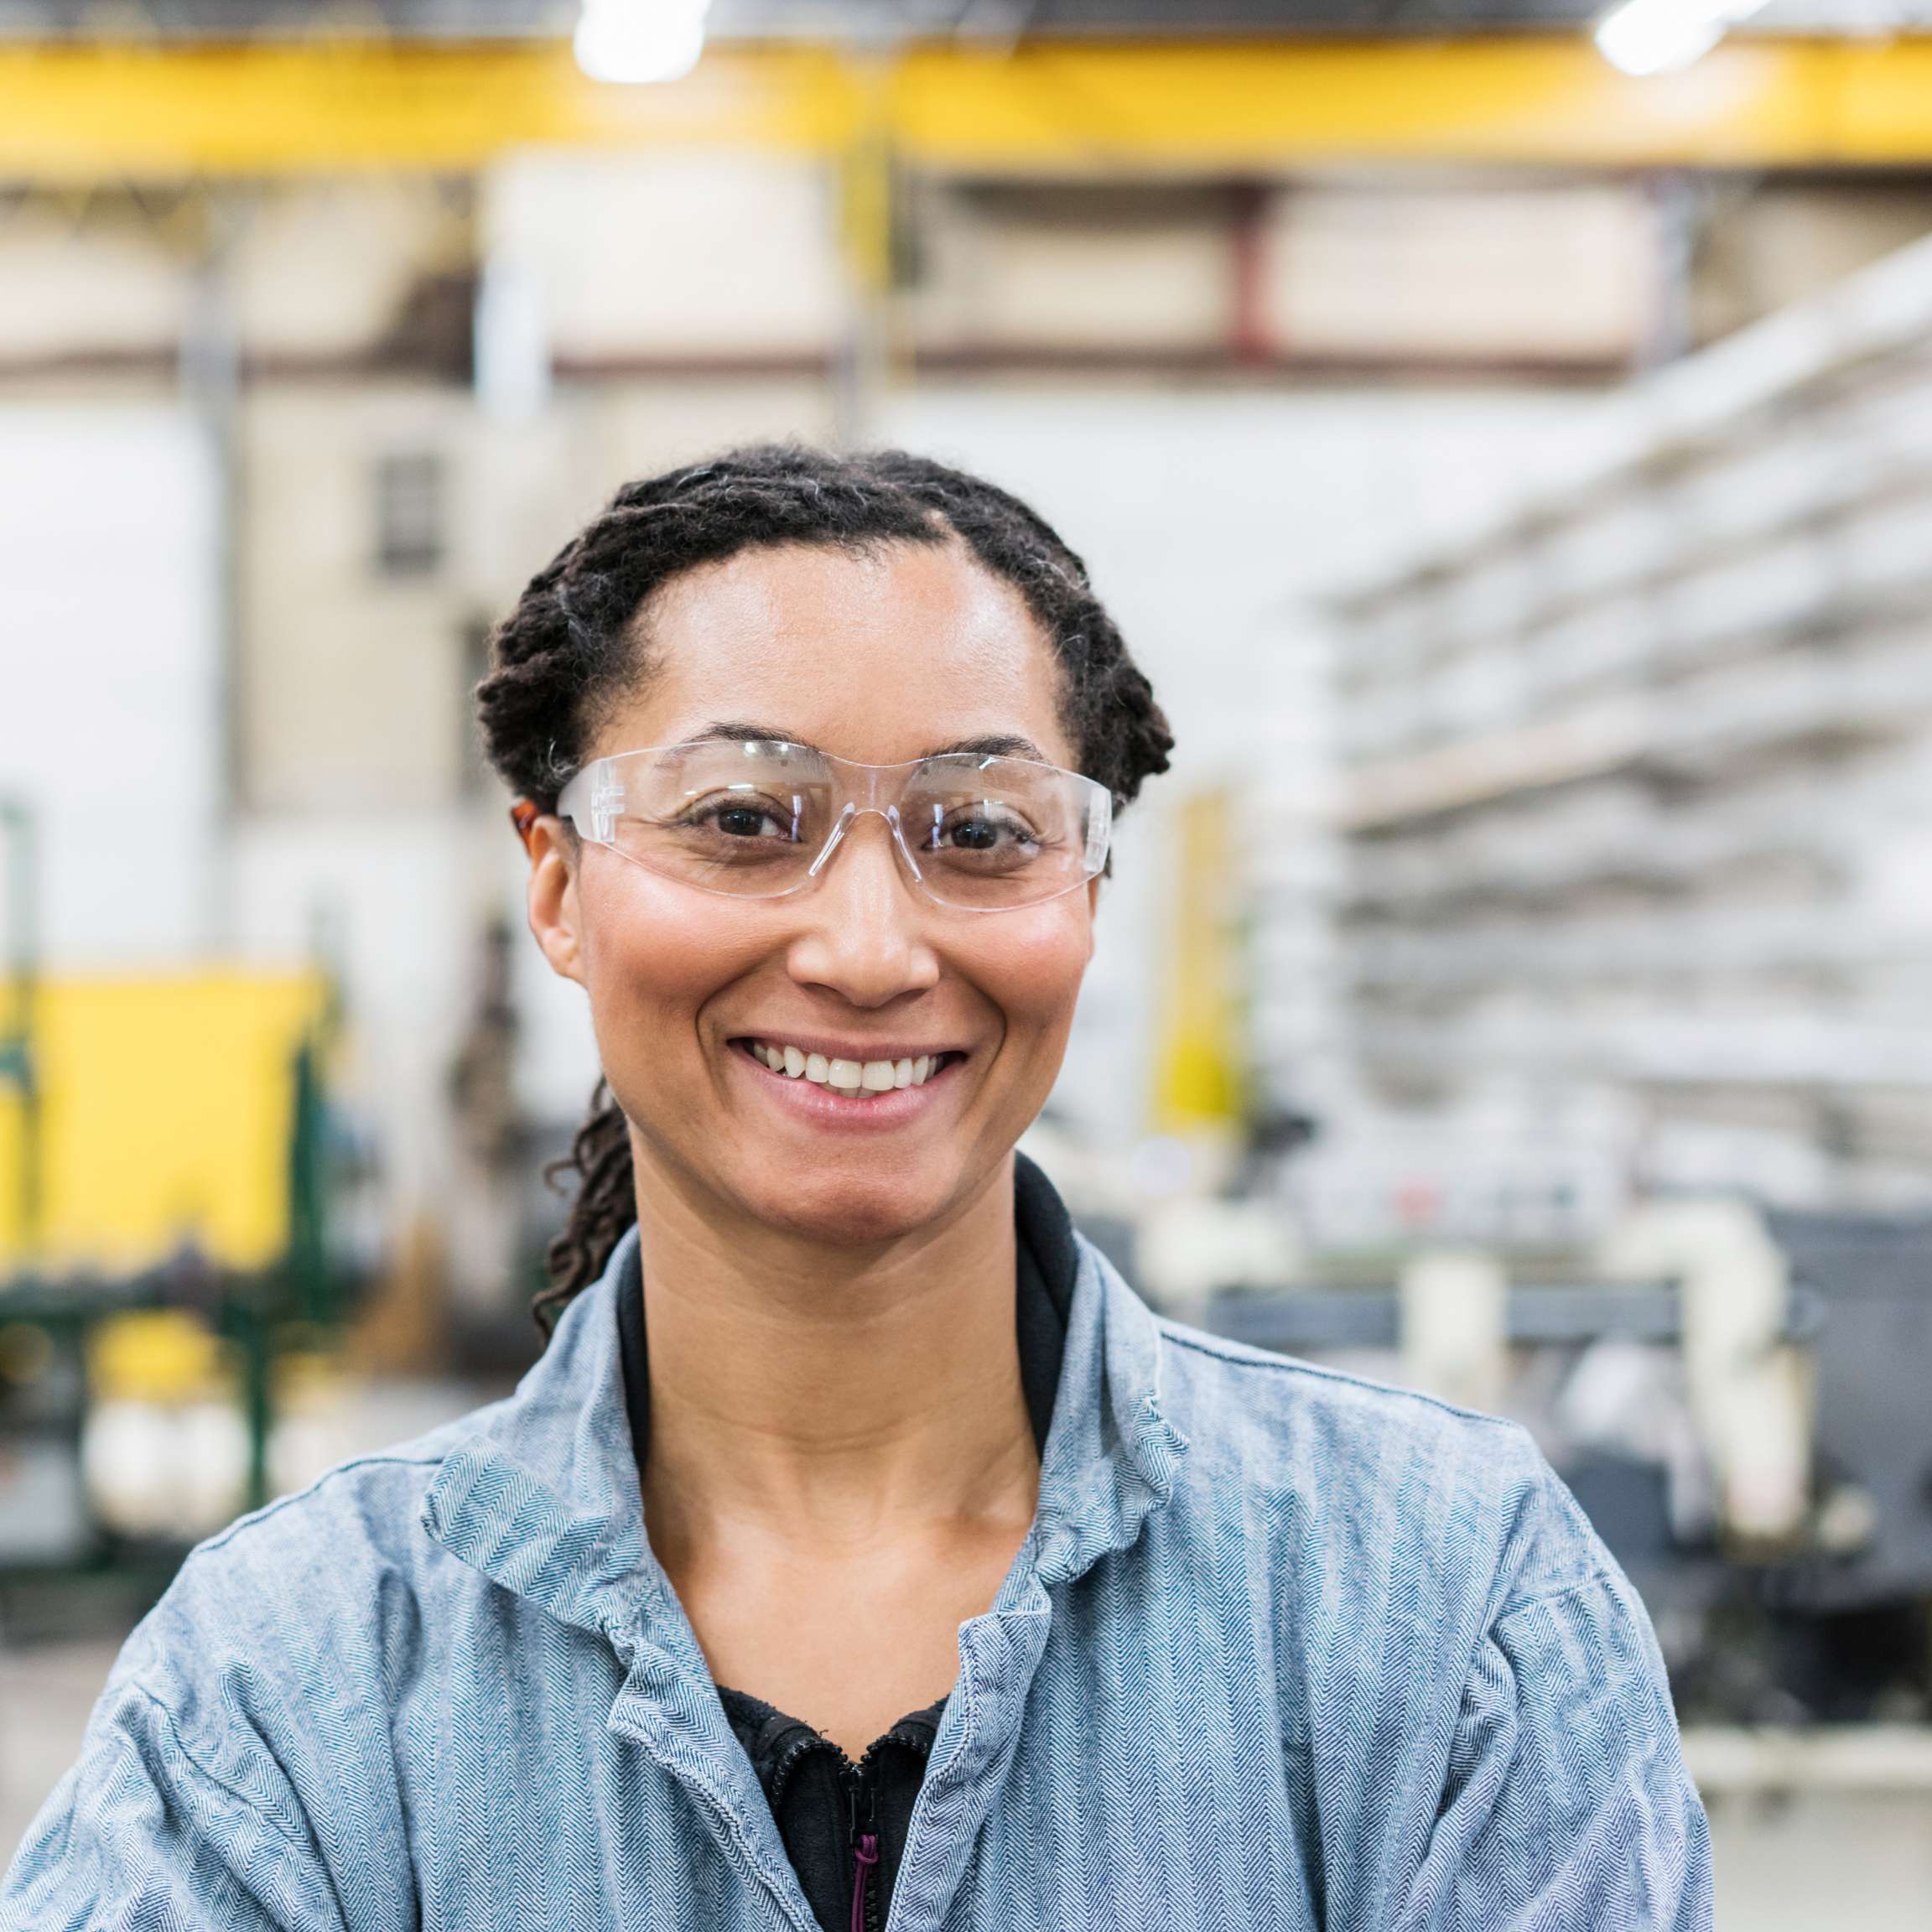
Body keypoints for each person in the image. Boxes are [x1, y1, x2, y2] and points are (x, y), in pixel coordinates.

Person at [3, 444, 1712, 1931]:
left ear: (1088, 889)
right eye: (746, 819)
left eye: (980, 832)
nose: (873, 949)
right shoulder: (300, 1686)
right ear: (560, 884)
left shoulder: (1435, 1608)